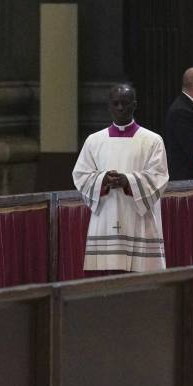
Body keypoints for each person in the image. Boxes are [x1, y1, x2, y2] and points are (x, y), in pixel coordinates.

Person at [72, 83, 169, 274]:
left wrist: (128, 181)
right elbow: (81, 175)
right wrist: (102, 180)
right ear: (108, 106)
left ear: (134, 105)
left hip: (139, 219)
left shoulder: (152, 140)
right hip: (106, 216)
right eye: (115, 103)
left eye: (125, 103)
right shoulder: (94, 141)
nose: (120, 108)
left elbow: (159, 176)